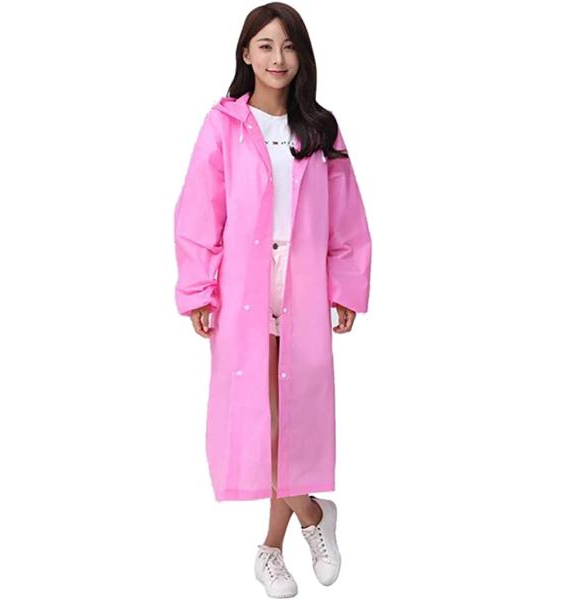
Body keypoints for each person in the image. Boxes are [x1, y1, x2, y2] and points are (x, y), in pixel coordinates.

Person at [173, 3, 371, 597]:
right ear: (246, 53)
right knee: (266, 417)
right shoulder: (224, 125)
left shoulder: (320, 129)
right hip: (244, 290)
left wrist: (347, 286)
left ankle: (270, 550)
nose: (277, 58)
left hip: (303, 286)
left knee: (293, 415)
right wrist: (198, 289)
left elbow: (346, 215)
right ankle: (312, 513)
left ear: (301, 56)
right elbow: (199, 212)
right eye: (265, 45)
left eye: (288, 46)